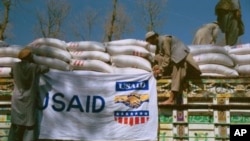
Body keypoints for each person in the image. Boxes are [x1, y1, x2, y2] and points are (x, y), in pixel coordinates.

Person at [145, 31, 201, 105]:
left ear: (155, 37)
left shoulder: (165, 40)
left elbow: (167, 56)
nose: (151, 43)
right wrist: (156, 66)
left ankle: (171, 99)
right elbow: (158, 56)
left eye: (151, 41)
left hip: (180, 56)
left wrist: (161, 69)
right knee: (157, 57)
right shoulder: (158, 44)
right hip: (174, 57)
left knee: (176, 74)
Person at [8, 48, 49, 141]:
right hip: (29, 99)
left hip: (17, 99)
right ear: (30, 57)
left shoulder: (15, 66)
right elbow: (46, 68)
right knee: (29, 125)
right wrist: (37, 60)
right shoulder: (34, 67)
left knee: (15, 124)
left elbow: (11, 74)